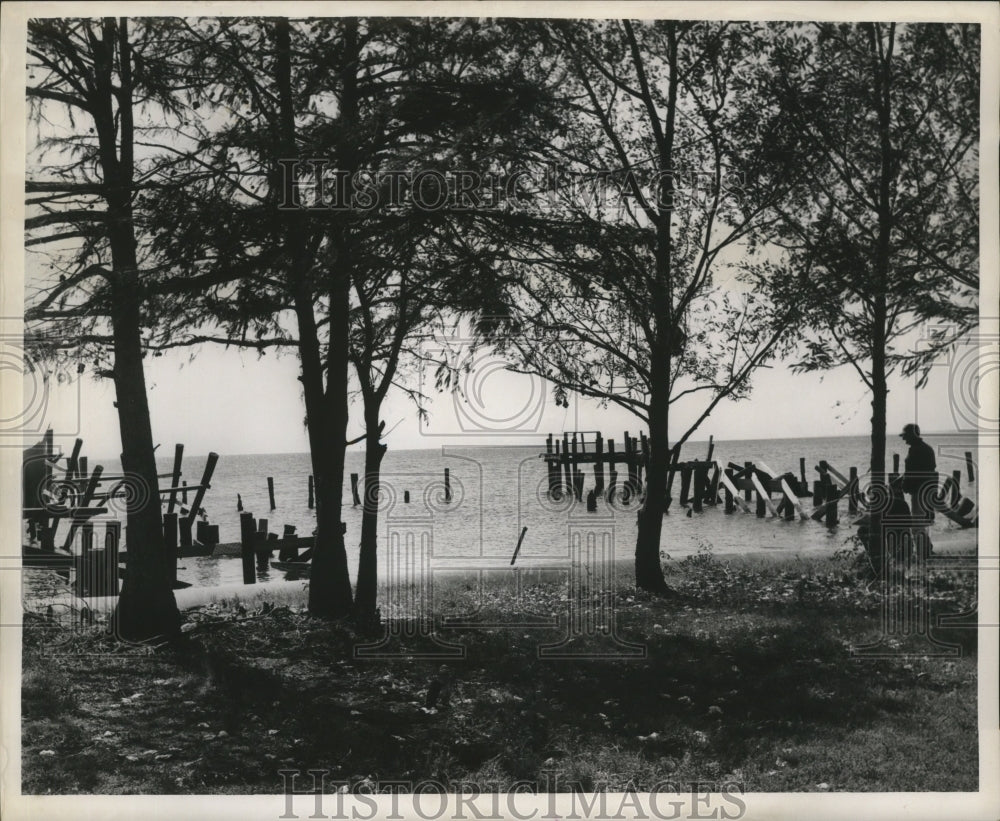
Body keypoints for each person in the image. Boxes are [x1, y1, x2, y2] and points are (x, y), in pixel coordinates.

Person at [900, 423, 936, 557]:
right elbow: (930, 470)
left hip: (919, 492)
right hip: (926, 490)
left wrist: (905, 485)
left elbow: (912, 473)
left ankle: (923, 553)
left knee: (916, 525)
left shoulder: (916, 450)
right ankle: (926, 549)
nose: (904, 439)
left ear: (912, 435)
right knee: (919, 522)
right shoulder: (926, 448)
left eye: (905, 436)